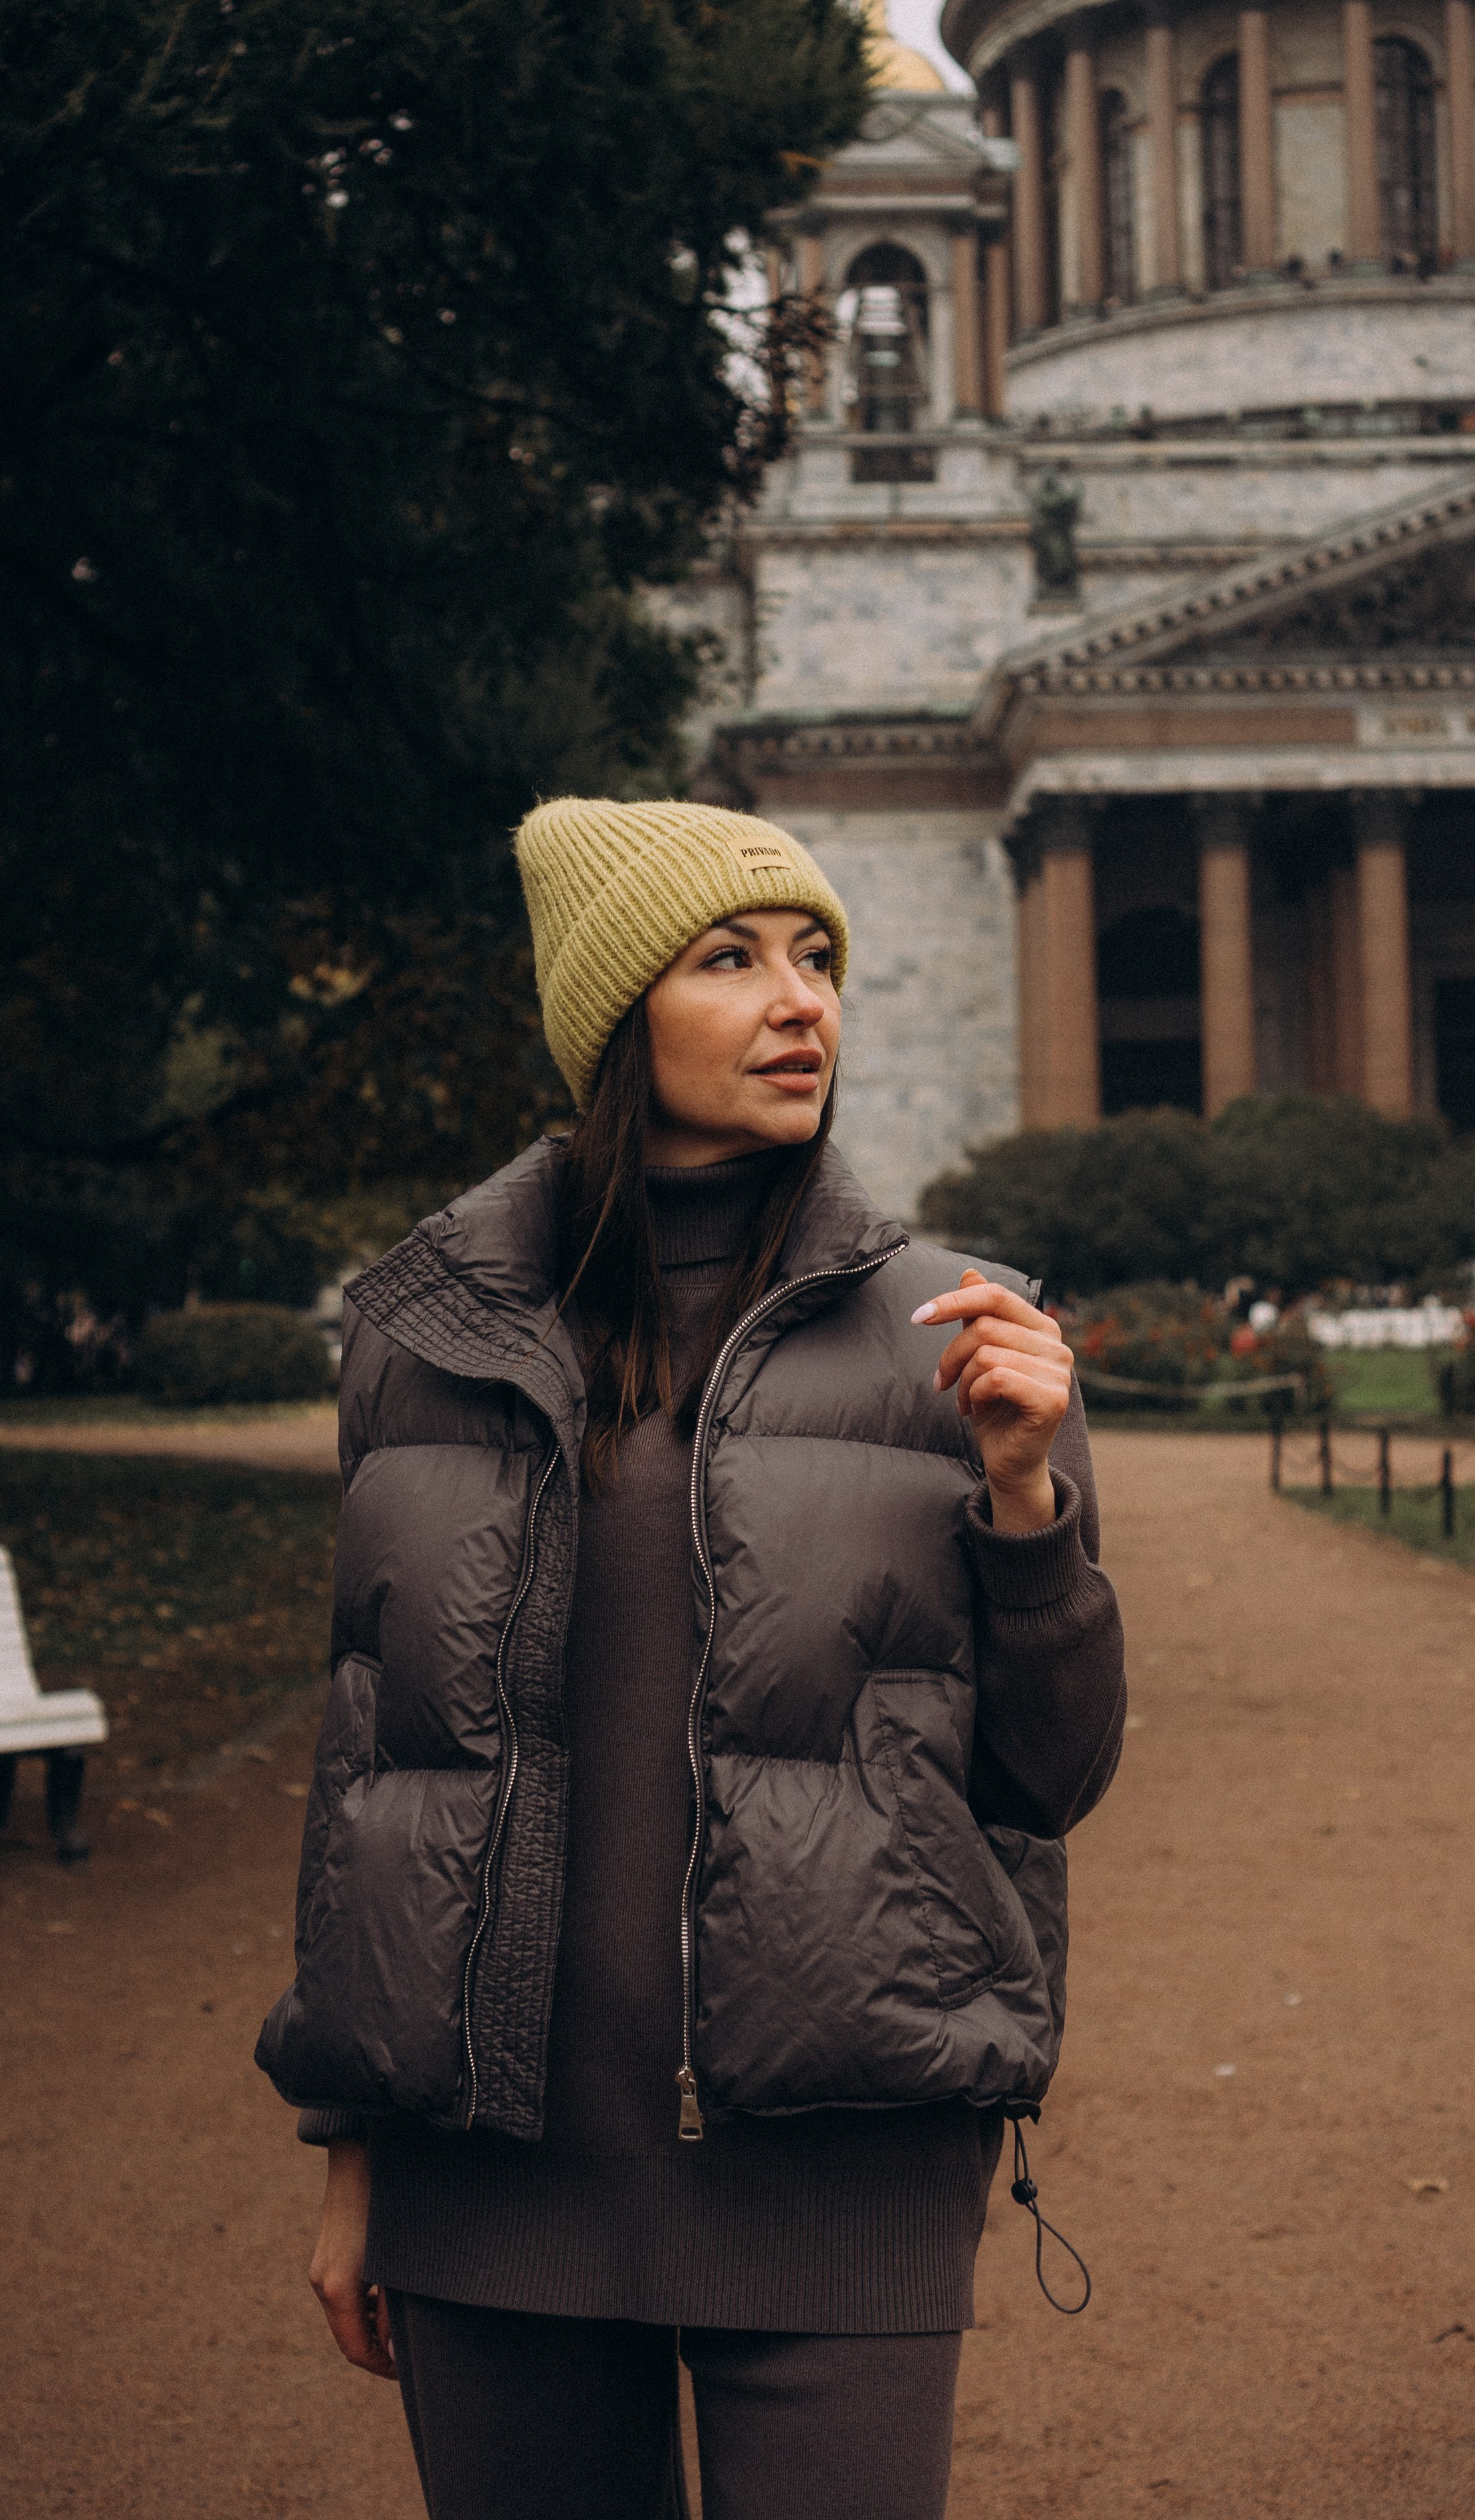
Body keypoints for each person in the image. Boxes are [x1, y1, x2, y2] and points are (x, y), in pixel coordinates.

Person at [256, 798, 1125, 2520]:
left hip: (835, 2165)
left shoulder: (965, 1332)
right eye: (730, 960)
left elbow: (1055, 1773)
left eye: (817, 959)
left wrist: (1029, 1497)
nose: (800, 998)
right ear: (609, 1016)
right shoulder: (421, 1338)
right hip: (486, 2179)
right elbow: (377, 1773)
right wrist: (355, 2152)